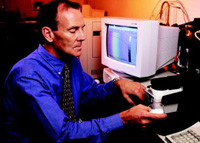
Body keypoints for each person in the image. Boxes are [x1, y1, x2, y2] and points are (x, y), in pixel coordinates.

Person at [0, 0, 167, 142]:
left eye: (82, 28)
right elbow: (62, 134)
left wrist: (117, 84)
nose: (82, 36)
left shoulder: (70, 60)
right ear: (48, 34)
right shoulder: (27, 76)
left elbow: (90, 93)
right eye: (73, 31)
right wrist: (124, 118)